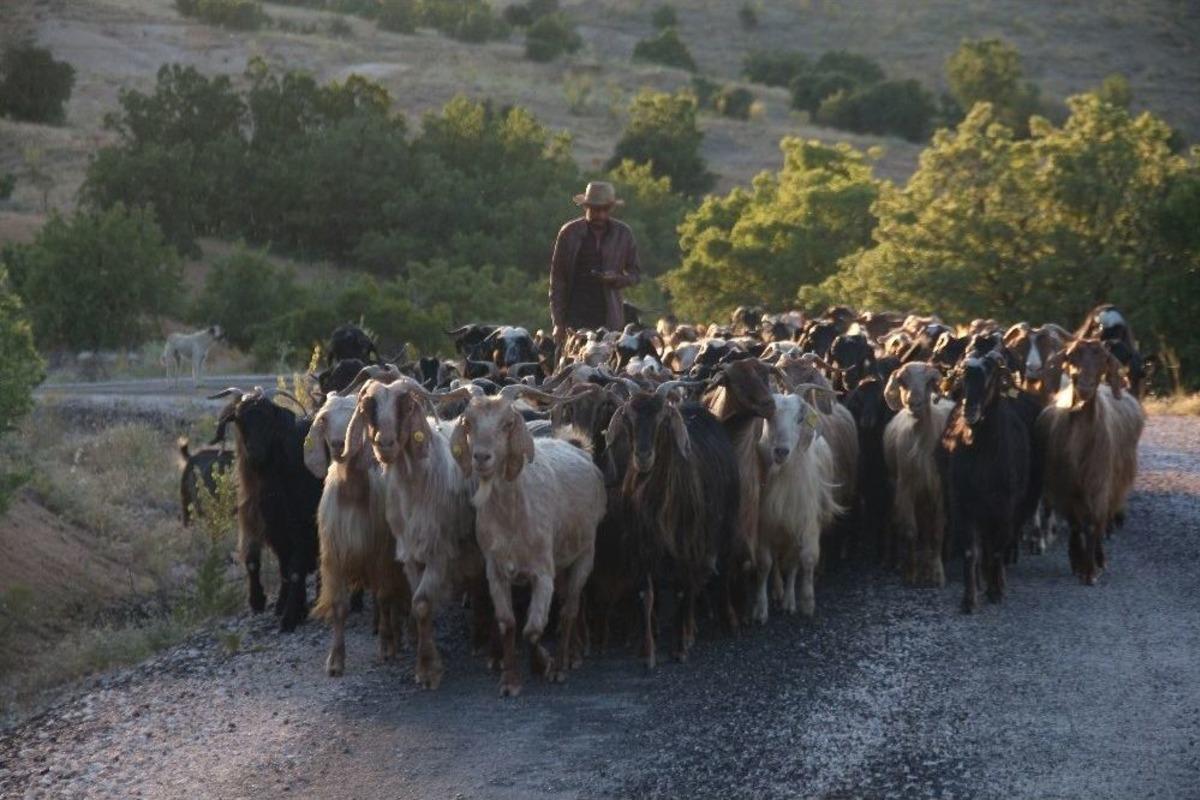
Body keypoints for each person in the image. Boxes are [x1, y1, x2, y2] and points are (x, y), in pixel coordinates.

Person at [549, 181, 641, 347]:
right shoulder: (569, 233)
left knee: (610, 367)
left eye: (604, 209)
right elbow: (558, 281)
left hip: (609, 316)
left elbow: (635, 274)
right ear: (586, 207)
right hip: (575, 314)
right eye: (595, 209)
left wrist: (617, 278)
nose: (600, 215)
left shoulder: (623, 234)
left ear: (610, 209)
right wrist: (558, 322)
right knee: (570, 365)